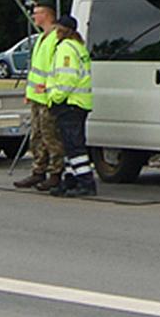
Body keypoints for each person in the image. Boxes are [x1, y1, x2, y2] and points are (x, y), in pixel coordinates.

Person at [14, 2, 65, 191]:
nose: (34, 17)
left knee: (51, 136)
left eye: (37, 13)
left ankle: (55, 172)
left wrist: (51, 88)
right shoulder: (41, 38)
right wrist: (29, 92)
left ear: (47, 15)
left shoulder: (56, 37)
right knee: (37, 136)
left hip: (49, 96)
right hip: (37, 96)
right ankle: (38, 170)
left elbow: (56, 67)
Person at [44, 14, 96, 198]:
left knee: (74, 146)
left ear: (61, 30)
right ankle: (71, 180)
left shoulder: (66, 48)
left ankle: (86, 183)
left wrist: (55, 97)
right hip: (78, 103)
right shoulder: (78, 46)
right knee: (70, 146)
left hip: (70, 103)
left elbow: (67, 78)